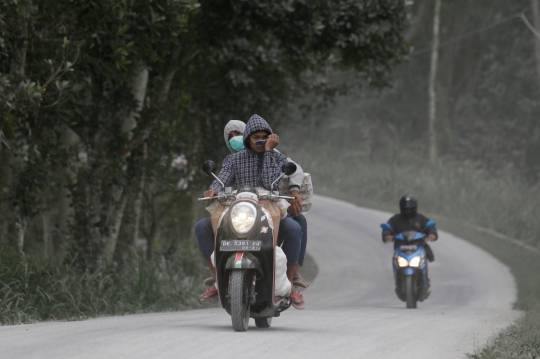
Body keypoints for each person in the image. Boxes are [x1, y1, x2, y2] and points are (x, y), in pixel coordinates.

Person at [197, 115, 306, 308]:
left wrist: (267, 152)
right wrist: (213, 189)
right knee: (202, 226)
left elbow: (268, 182)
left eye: (265, 136)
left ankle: (289, 286)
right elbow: (222, 178)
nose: (260, 140)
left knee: (294, 228)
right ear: (248, 138)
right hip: (241, 209)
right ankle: (217, 279)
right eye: (256, 137)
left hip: (269, 209)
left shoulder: (276, 157)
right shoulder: (233, 159)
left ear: (271, 138)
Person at [381, 195, 438, 296]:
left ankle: (425, 283)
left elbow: (429, 227)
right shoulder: (396, 219)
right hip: (401, 247)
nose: (408, 208)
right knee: (396, 263)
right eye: (405, 206)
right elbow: (388, 228)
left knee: (423, 261)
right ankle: (398, 281)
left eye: (410, 206)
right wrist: (387, 235)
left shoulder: (420, 218)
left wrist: (432, 233)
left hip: (418, 247)